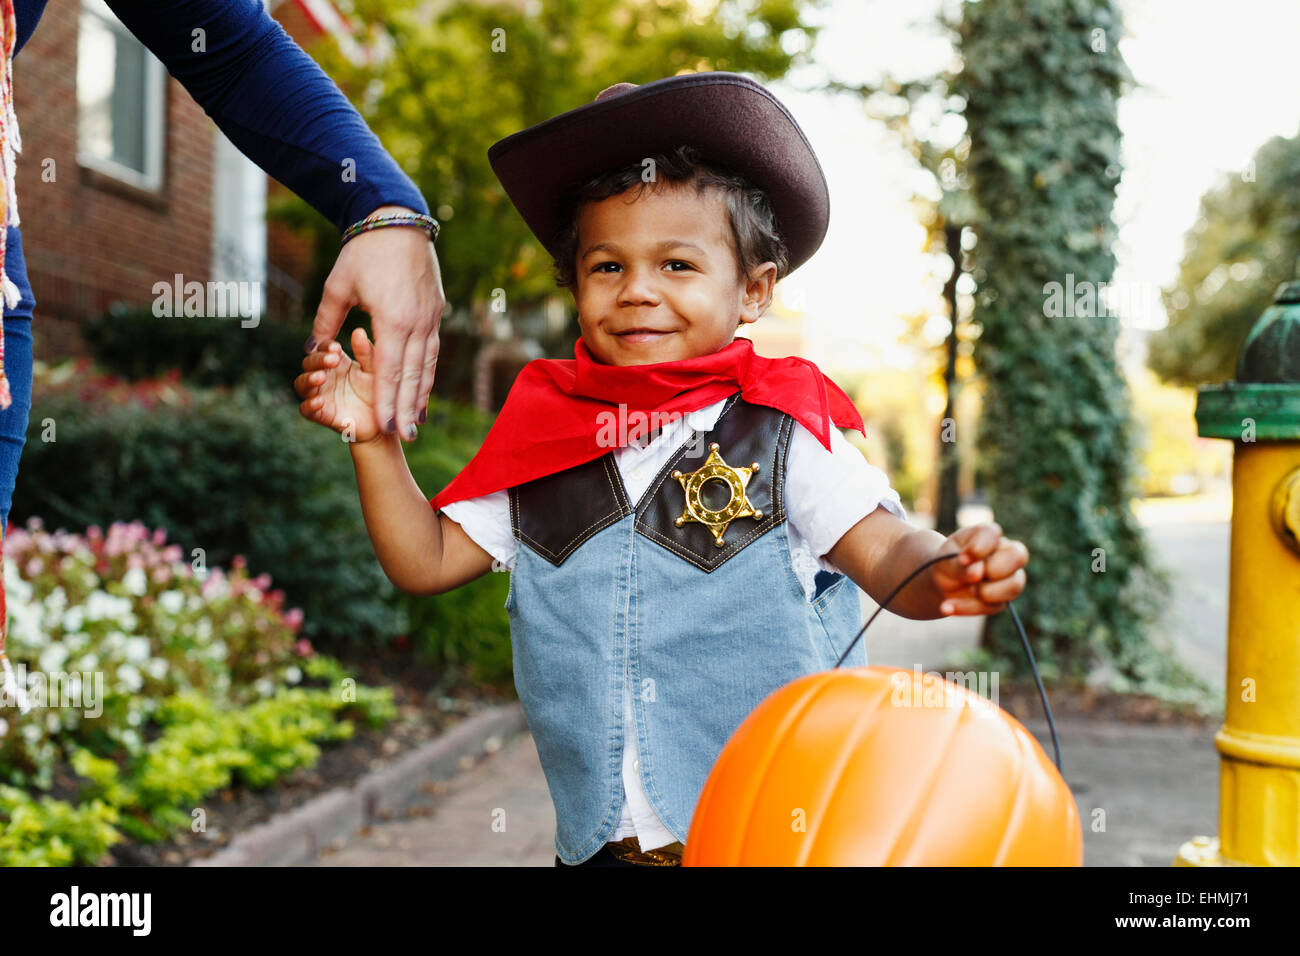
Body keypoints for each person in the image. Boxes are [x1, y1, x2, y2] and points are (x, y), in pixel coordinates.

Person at [294, 73, 1030, 868]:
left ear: (752, 291)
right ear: (576, 287)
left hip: (772, 839)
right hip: (599, 850)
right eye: (607, 267)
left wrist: (946, 572)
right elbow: (425, 558)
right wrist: (373, 440)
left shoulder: (784, 429)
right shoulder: (544, 439)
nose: (638, 291)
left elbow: (888, 552)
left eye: (677, 265)